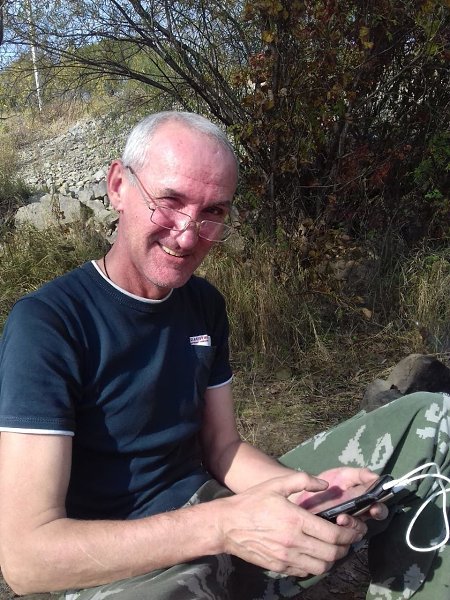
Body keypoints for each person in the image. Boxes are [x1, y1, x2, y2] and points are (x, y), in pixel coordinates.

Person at [0, 111, 448, 600]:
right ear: (118, 186)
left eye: (213, 211)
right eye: (169, 201)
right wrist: (223, 526)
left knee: (432, 421)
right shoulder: (49, 324)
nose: (188, 235)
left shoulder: (203, 303)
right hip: (128, 561)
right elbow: (26, 561)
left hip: (217, 506)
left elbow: (222, 447)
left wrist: (309, 490)